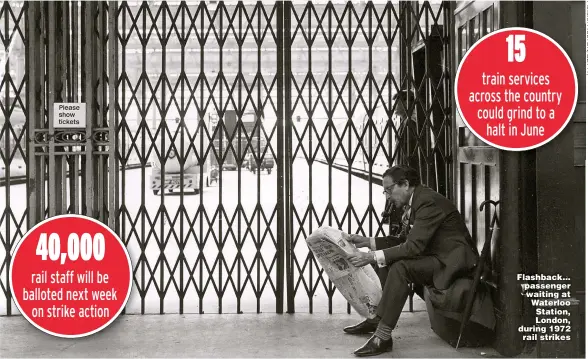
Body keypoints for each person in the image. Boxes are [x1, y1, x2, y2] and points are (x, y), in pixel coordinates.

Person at [342, 165, 483, 356]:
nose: (387, 196)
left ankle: (383, 336)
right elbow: (404, 241)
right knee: (389, 258)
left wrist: (370, 256)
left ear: (405, 184)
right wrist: (367, 241)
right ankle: (377, 318)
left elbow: (413, 247)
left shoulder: (427, 202)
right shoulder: (415, 200)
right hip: (436, 257)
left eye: (389, 190)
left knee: (400, 267)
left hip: (451, 263)